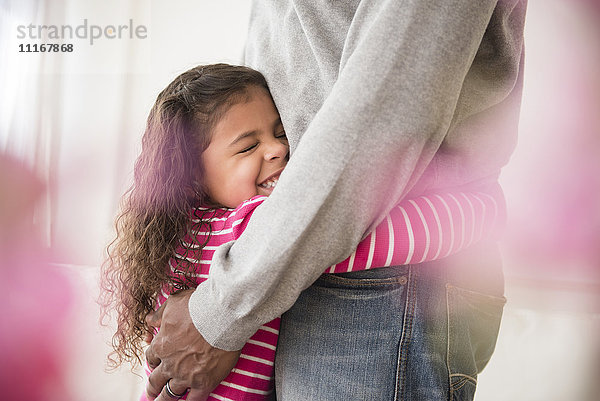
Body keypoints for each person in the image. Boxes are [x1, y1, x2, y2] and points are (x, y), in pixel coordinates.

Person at [145, 2, 527, 400]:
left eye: (278, 133)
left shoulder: (215, 239)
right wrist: (485, 209)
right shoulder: (238, 235)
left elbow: (393, 99)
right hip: (310, 258)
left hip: (359, 266)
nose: (279, 147)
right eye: (247, 146)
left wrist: (220, 310)